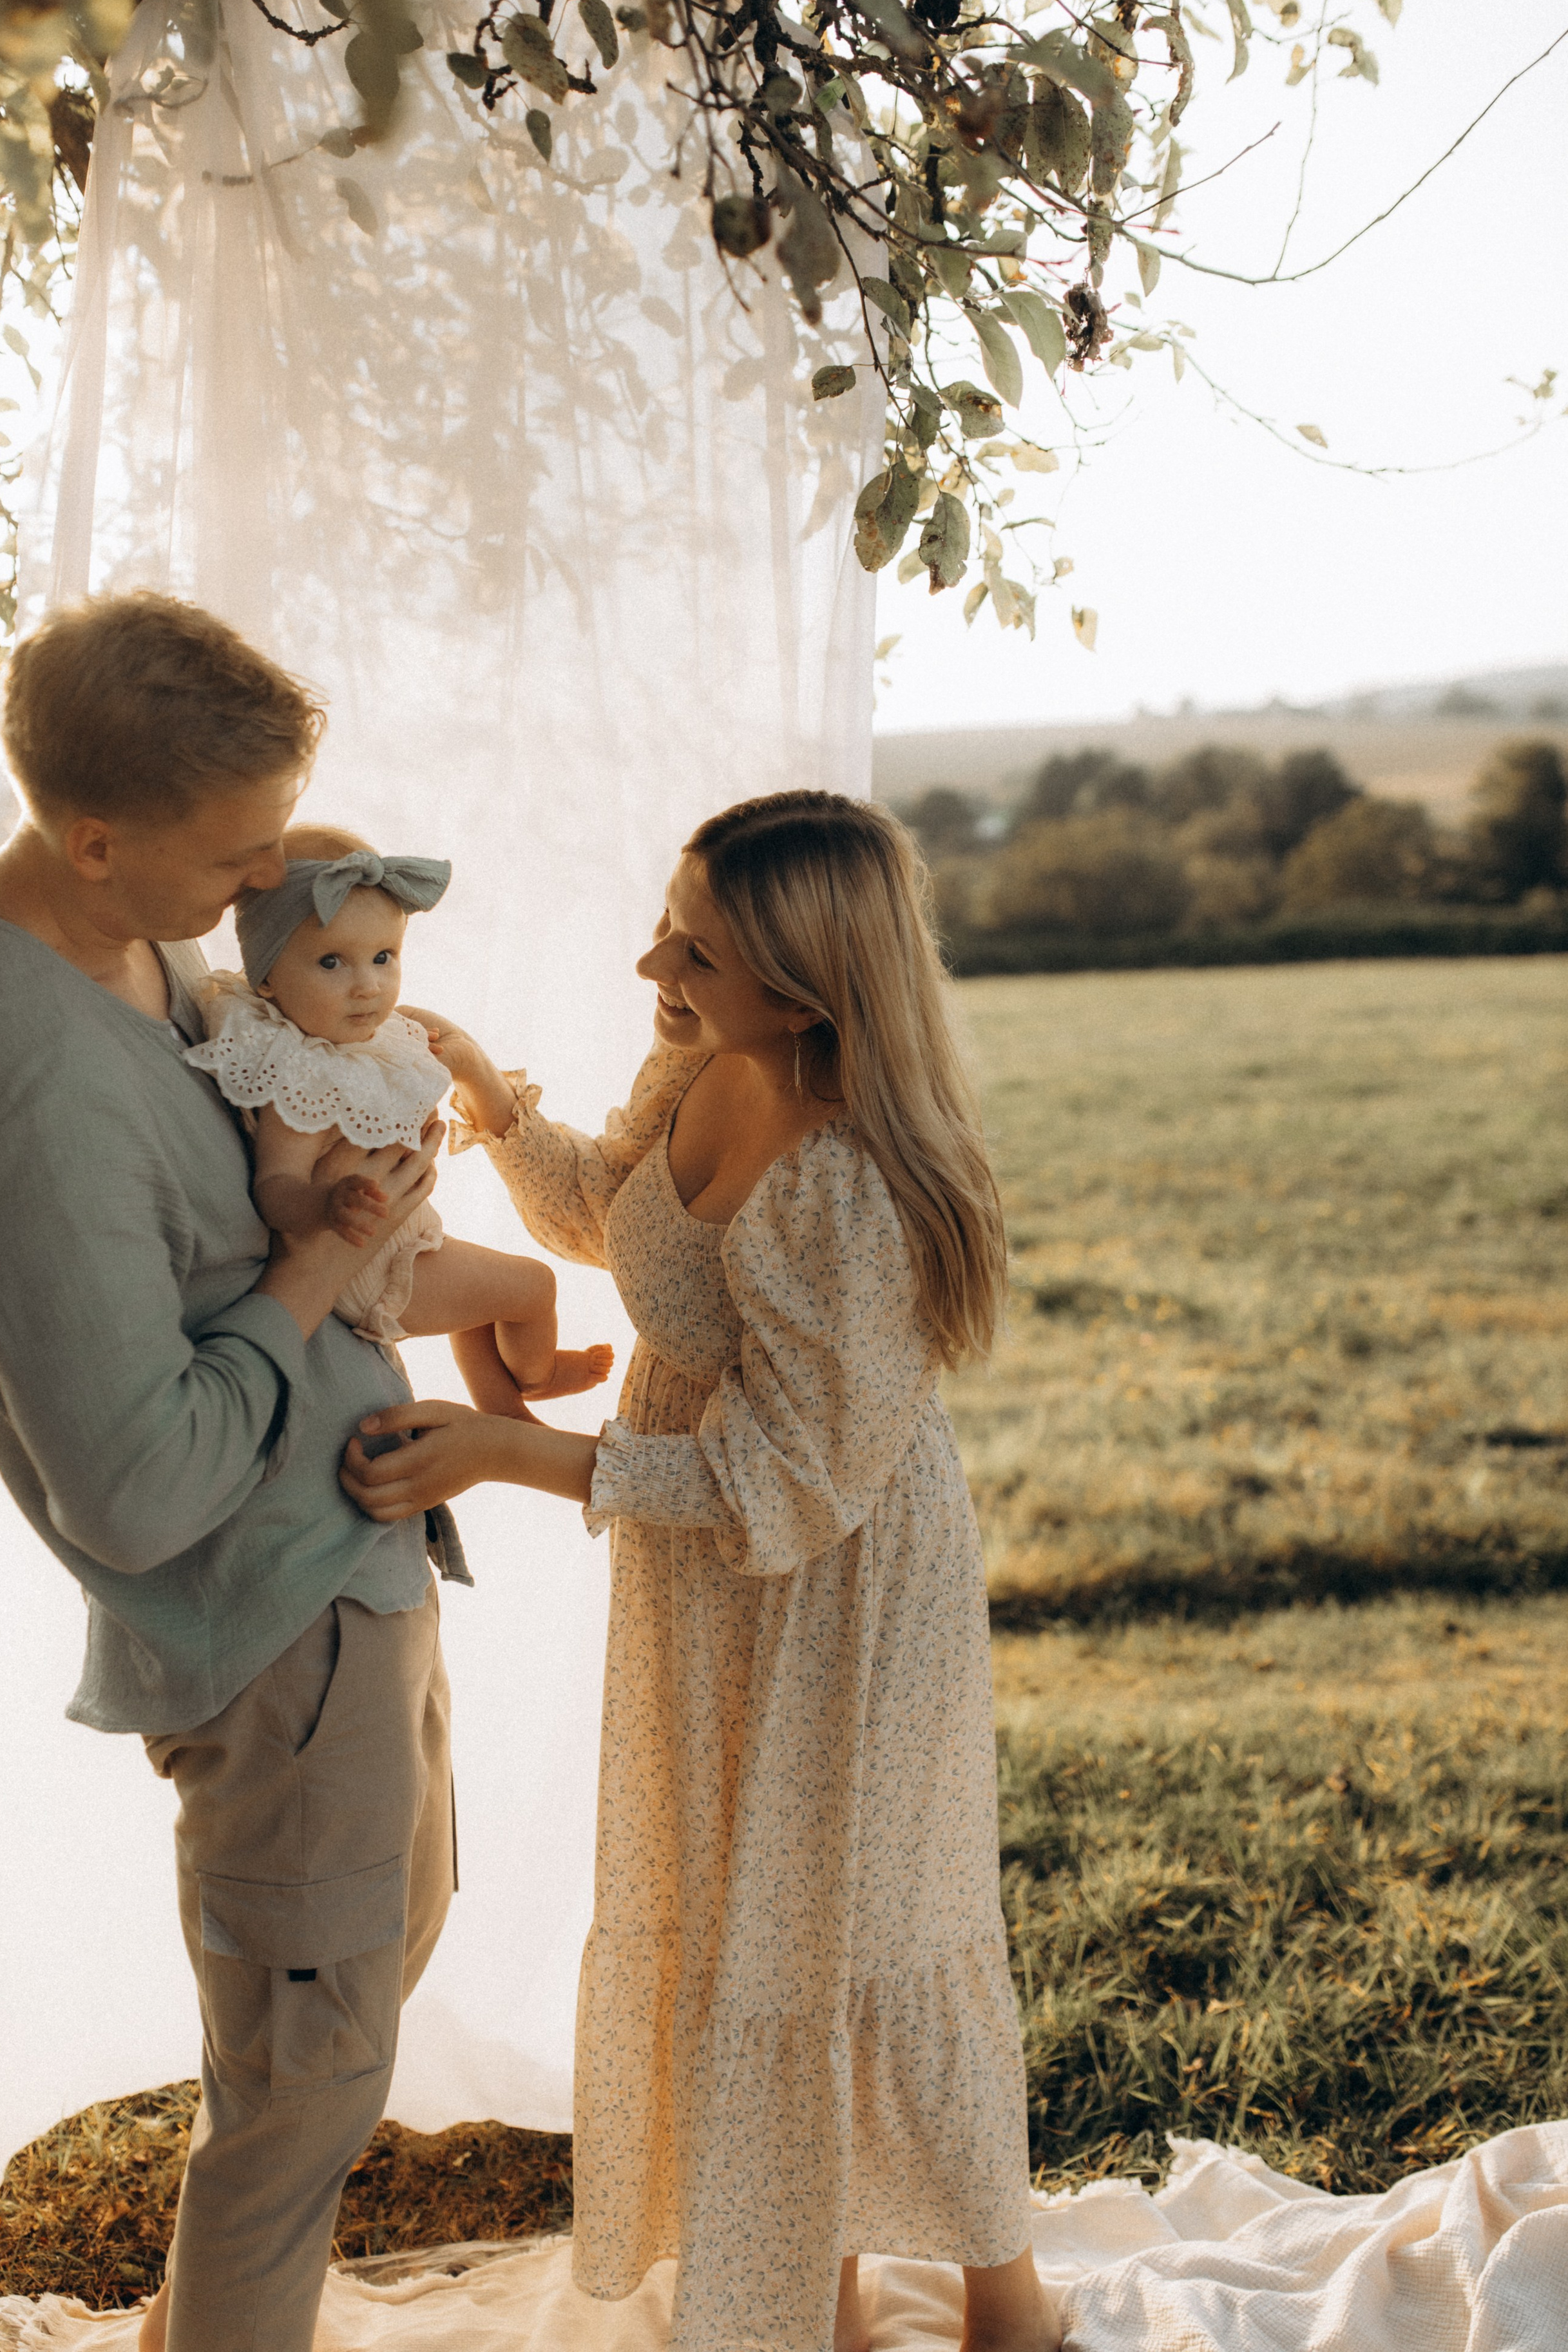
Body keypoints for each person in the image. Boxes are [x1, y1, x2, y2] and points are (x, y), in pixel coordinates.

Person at [343, 790, 1060, 2352]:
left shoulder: (845, 1183)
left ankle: (1008, 2312)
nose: (648, 958)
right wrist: (483, 1095)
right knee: (749, 1917)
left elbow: (783, 1481)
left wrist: (498, 1449)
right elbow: (621, 1218)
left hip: (833, 1585)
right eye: (669, 916)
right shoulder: (704, 1052)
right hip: (707, 1574)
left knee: (852, 1931)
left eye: (697, 946)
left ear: (809, 990)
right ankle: (828, 2291)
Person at [0, 591, 466, 2352]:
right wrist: (313, 1274)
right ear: (95, 841)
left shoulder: (136, 944)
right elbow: (137, 1489)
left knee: (365, 1995)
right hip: (267, 1626)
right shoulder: (21, 1088)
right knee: (304, 2092)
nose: (268, 891)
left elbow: (237, 1202)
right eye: (238, 860)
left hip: (353, 1566)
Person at [189, 818, 612, 1415]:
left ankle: (500, 1403)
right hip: (370, 1265)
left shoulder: (346, 1042)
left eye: (383, 957)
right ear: (266, 975)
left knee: (481, 1297)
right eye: (332, 963)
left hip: (400, 1244)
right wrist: (326, 1207)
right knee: (534, 1286)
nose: (368, 987)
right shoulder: (303, 1074)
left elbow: (415, 1033)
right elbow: (275, 1187)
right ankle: (538, 1373)